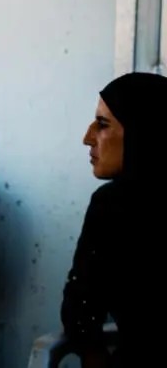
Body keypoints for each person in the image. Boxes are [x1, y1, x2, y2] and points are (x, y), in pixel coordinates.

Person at [61, 72, 167, 368]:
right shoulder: (111, 206)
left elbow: (81, 308)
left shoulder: (111, 206)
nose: (87, 138)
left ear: (142, 132)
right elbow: (81, 308)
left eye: (103, 124)